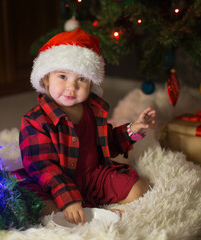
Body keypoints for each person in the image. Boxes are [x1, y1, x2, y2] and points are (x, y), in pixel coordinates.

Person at [11, 28, 156, 225]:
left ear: (91, 83)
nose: (72, 87)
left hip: (92, 176)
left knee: (140, 190)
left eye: (81, 79)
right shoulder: (34, 121)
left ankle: (87, 207)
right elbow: (42, 166)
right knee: (41, 208)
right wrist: (68, 198)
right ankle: (82, 210)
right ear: (45, 79)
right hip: (54, 183)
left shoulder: (92, 110)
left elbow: (107, 143)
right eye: (62, 76)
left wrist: (131, 131)